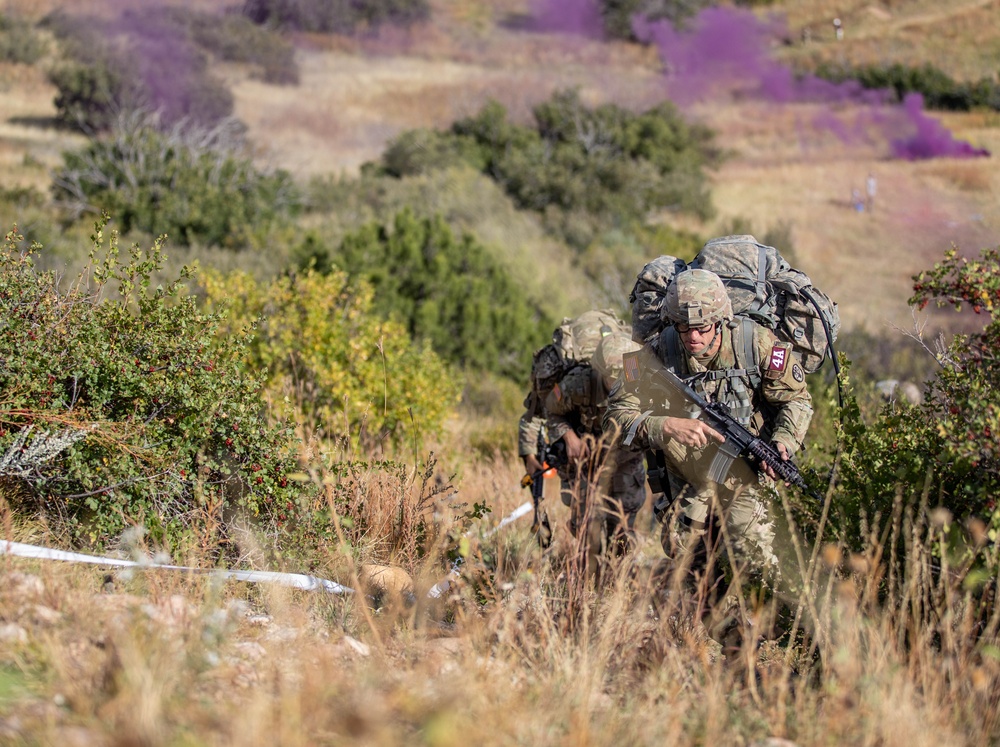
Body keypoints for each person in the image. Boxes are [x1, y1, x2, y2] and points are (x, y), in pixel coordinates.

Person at [604, 268, 813, 644]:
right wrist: (666, 426)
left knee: (760, 564)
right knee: (697, 581)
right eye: (684, 328)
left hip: (744, 478)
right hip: (685, 485)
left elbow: (796, 400)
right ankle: (738, 653)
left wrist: (783, 443)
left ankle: (798, 646)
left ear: (721, 319)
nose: (693, 337)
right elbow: (616, 417)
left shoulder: (757, 344)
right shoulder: (652, 354)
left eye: (703, 327)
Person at [545, 330, 646, 571]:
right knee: (586, 529)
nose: (620, 383)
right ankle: (587, 579)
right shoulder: (578, 384)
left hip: (625, 461)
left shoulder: (638, 379)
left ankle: (617, 579)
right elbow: (551, 410)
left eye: (625, 377)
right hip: (586, 461)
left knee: (621, 527)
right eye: (613, 378)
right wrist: (569, 438)